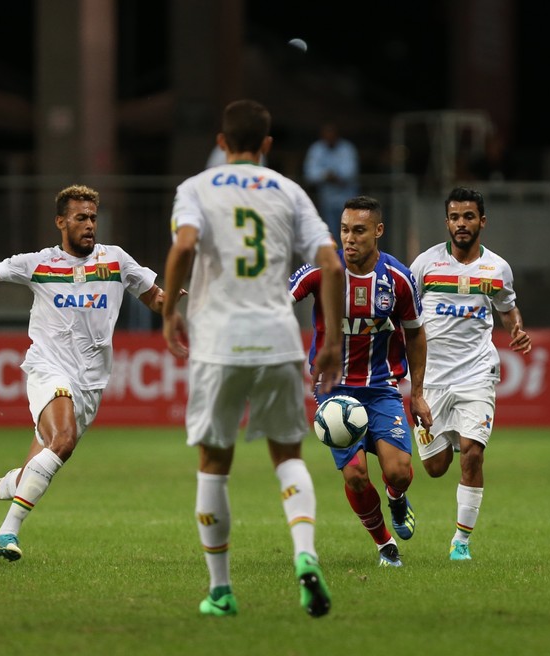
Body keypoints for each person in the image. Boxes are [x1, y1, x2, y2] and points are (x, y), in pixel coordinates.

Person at [0, 184, 170, 561]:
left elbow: (154, 298)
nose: (90, 225)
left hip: (91, 383)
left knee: (37, 470)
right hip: (48, 368)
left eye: (93, 218)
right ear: (61, 222)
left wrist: (171, 301)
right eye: (81, 218)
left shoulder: (116, 260)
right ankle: (6, 533)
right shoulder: (39, 263)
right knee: (63, 441)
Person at [162, 99, 344, 619]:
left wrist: (170, 311)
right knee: (288, 455)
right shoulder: (289, 190)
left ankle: (221, 590)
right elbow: (331, 265)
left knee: (213, 465)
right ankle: (305, 555)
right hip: (278, 339)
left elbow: (184, 246)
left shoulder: (196, 187)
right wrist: (331, 340)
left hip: (218, 342)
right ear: (266, 145)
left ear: (221, 142)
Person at [290, 195, 433, 568]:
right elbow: (278, 300)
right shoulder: (322, 269)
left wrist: (417, 394)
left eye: (359, 230)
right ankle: (385, 544)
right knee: (354, 475)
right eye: (344, 230)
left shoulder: (398, 278)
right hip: (334, 391)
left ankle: (396, 498)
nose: (349, 238)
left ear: (378, 231)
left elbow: (416, 334)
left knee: (399, 473)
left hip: (381, 388)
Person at [409, 187, 532, 562]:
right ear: (447, 222)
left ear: (482, 221)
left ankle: (461, 541)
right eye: (455, 217)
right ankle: (451, 437)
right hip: (431, 379)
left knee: (473, 455)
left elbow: (507, 307)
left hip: (477, 373)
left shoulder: (496, 268)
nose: (461, 223)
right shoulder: (425, 265)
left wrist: (516, 328)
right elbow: (405, 312)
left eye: (468, 216)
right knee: (435, 467)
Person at [303, 122, 359, 242]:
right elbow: (310, 174)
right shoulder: (317, 149)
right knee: (330, 235)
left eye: (331, 134)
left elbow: (349, 173)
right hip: (326, 201)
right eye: (326, 134)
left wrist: (331, 176)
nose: (329, 137)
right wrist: (327, 176)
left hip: (348, 201)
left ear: (337, 135)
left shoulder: (346, 148)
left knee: (350, 233)